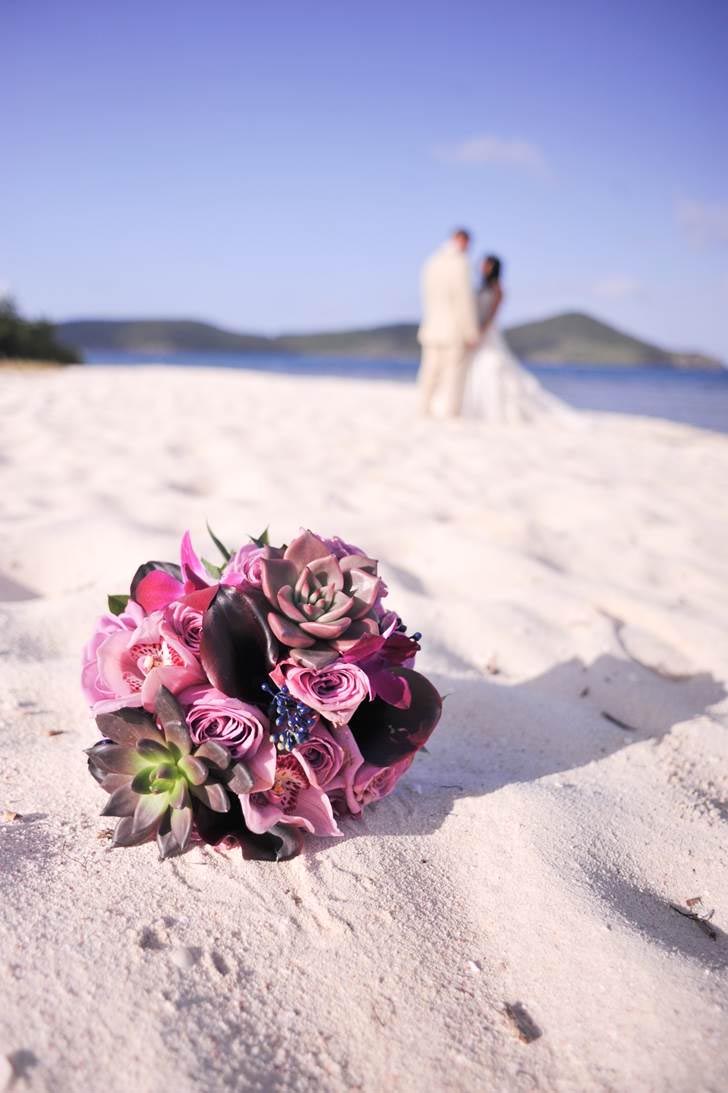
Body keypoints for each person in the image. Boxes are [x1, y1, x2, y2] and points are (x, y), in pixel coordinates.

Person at [462, 255, 573, 423]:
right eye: (483, 265)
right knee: (479, 368)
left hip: (488, 333)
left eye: (487, 265)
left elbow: (492, 315)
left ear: (494, 268)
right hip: (477, 331)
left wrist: (480, 332)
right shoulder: (480, 289)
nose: (484, 268)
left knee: (492, 366)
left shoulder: (498, 289)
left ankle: (494, 411)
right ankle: (478, 409)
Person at [417, 229, 479, 418]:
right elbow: (464, 300)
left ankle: (423, 409)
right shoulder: (460, 264)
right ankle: (452, 412)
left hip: (431, 326)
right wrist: (471, 331)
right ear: (462, 242)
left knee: (429, 371)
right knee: (454, 375)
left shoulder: (432, 262)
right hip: (453, 329)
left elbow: (426, 295)